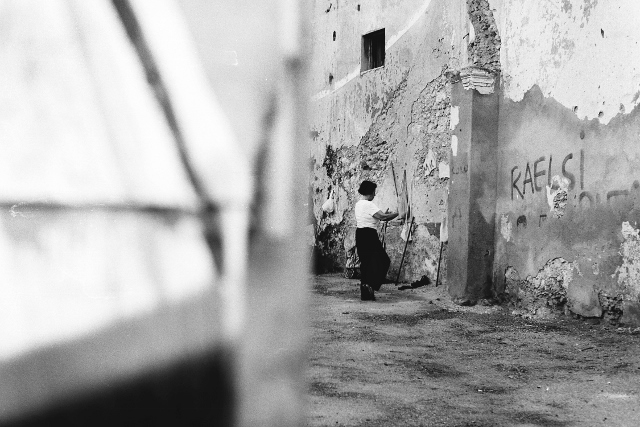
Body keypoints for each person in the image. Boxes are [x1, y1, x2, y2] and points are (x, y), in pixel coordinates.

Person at [354, 180, 398, 301]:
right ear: (370, 191)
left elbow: (373, 216)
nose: (375, 195)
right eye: (374, 192)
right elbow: (383, 217)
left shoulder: (359, 204)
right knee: (384, 261)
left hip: (360, 234)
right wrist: (398, 214)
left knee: (366, 263)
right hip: (369, 234)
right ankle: (370, 285)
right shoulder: (368, 204)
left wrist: (384, 214)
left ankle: (366, 291)